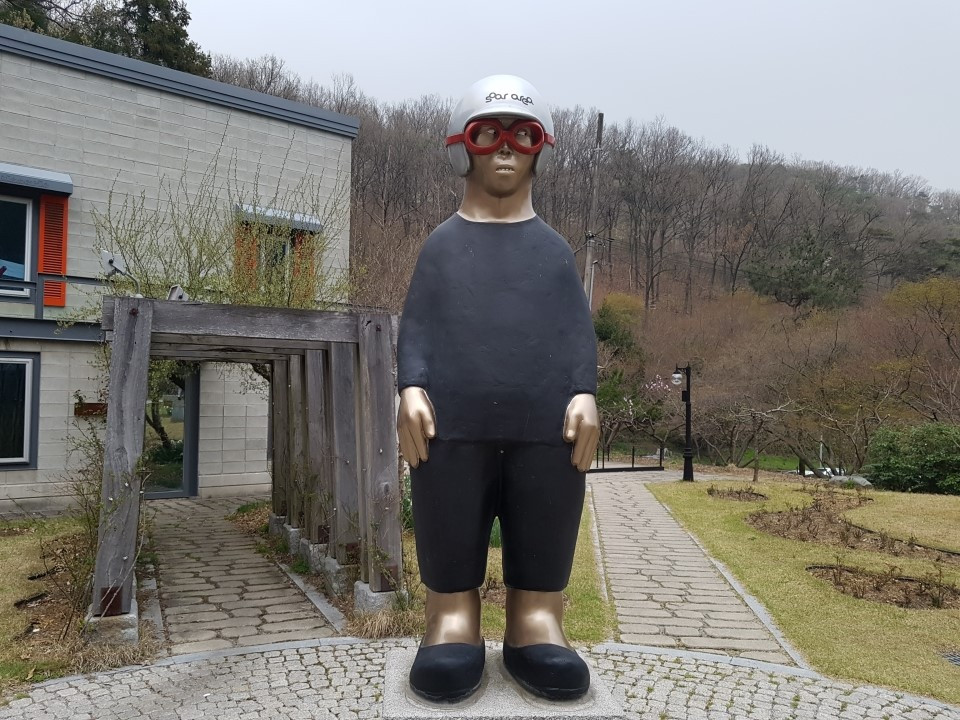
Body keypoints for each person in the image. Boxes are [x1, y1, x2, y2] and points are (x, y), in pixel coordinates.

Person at [396, 74, 599, 703]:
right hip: (453, 421)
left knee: (545, 511)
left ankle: (536, 620)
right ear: (465, 146)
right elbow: (418, 323)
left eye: (523, 135)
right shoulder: (441, 246)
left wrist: (584, 392)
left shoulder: (554, 252)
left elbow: (575, 330)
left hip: (544, 424)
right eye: (489, 134)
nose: (506, 148)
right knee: (450, 511)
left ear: (541, 150)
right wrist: (409, 387)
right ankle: (451, 619)